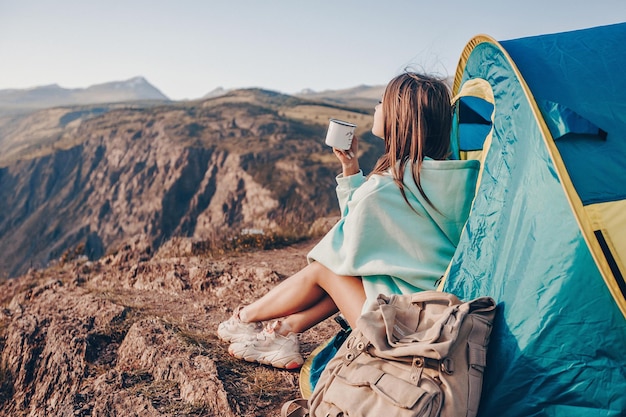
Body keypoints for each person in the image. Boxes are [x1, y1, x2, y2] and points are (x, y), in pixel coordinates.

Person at [217, 71, 480, 370]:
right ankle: (284, 334)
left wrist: (352, 178)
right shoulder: (458, 179)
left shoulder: (391, 187)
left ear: (399, 118)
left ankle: (243, 319)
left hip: (405, 329)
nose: (377, 107)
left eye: (383, 102)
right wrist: (351, 168)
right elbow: (365, 227)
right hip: (439, 314)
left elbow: (346, 242)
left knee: (325, 272)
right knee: (355, 271)